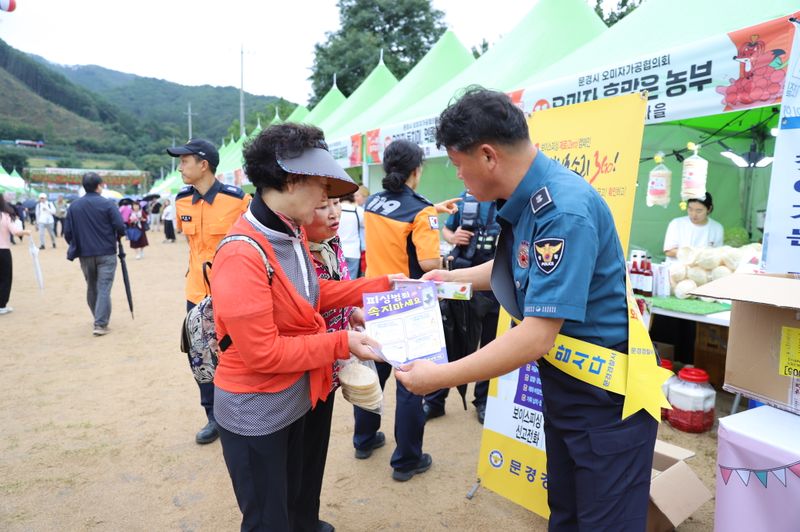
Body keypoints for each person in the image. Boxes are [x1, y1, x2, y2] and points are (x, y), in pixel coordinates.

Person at [394, 88, 659, 530]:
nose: (459, 178)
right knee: (567, 512)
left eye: (459, 165)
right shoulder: (528, 198)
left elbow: (537, 334)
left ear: (488, 156)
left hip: (606, 398)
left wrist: (438, 377)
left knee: (604, 522)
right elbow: (517, 266)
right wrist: (449, 277)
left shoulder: (563, 210)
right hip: (568, 390)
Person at [210, 123, 391, 531]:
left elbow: (310, 296)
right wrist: (342, 341)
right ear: (291, 181)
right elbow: (264, 353)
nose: (327, 201)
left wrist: (384, 286)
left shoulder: (288, 233)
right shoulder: (243, 253)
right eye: (320, 189)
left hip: (293, 399)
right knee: (267, 519)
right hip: (257, 411)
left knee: (293, 500)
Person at [355, 139, 440, 482]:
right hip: (407, 303)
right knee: (409, 383)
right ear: (416, 171)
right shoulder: (421, 209)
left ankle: (364, 440)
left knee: (373, 372)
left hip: (373, 299)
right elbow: (430, 262)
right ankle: (406, 460)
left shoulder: (373, 201)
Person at [167, 138, 251, 445]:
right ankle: (212, 416)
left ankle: (240, 412)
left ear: (204, 165)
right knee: (199, 355)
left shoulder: (238, 200)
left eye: (185, 161)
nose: (180, 167)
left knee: (235, 352)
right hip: (196, 294)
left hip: (232, 292)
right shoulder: (181, 201)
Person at [299, 196, 360, 532]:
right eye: (321, 205)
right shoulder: (294, 254)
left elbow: (341, 292)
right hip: (301, 372)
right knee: (298, 453)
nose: (334, 212)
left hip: (330, 369)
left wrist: (353, 311)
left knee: (315, 450)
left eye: (336, 203)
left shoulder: (332, 244)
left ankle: (307, 517)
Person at [423, 190, 501, 424]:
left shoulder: (509, 197)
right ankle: (436, 399)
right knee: (451, 338)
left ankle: (483, 400)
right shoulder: (465, 198)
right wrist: (453, 236)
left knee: (491, 343)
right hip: (461, 279)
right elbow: (447, 230)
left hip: (496, 283)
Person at [63, 172, 126, 336]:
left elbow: (67, 233)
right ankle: (100, 323)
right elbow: (120, 226)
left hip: (84, 253)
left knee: (92, 287)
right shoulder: (108, 204)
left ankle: (98, 317)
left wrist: (77, 244)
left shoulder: (74, 206)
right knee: (104, 287)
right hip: (106, 252)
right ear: (100, 185)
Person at [663, 192, 723, 259]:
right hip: (678, 266)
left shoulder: (717, 228)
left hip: (703, 268)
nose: (693, 214)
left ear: (709, 209)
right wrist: (692, 254)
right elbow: (668, 252)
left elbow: (717, 254)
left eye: (699, 211)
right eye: (690, 209)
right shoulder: (676, 223)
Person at [0, 194, 32, 314]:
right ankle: (1, 305)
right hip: (3, 251)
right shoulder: (5, 216)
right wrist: (27, 232)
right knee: (5, 278)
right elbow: (16, 232)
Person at [337, 192, 364, 277]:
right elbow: (364, 226)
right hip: (354, 251)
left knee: (338, 281)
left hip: (337, 250)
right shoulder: (358, 210)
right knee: (351, 281)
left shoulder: (335, 209)